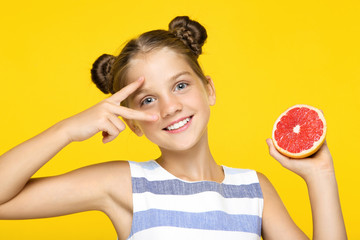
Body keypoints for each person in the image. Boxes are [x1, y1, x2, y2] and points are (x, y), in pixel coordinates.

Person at [0, 16, 347, 240]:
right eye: (147, 100)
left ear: (208, 89)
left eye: (180, 85)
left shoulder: (254, 189)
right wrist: (64, 131)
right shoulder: (124, 185)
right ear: (132, 123)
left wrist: (321, 175)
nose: (170, 107)